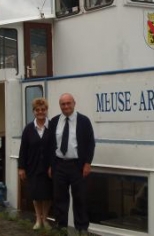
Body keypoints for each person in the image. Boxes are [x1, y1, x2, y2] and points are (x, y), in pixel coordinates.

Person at [49, 93, 95, 236]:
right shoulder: (54, 121)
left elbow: (90, 143)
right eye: (63, 104)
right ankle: (60, 225)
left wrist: (87, 163)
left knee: (79, 197)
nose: (66, 106)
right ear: (60, 106)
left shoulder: (84, 121)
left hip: (77, 166)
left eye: (68, 103)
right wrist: (51, 165)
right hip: (59, 165)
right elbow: (50, 145)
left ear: (74, 103)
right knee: (60, 197)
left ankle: (82, 227)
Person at [18, 98, 53, 231]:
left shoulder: (52, 127)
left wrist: (53, 166)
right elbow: (23, 149)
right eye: (37, 110)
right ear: (33, 111)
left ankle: (45, 219)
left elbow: (55, 148)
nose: (40, 112)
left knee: (47, 195)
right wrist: (21, 167)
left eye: (43, 109)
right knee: (36, 194)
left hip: (48, 168)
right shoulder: (28, 129)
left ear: (46, 110)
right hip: (32, 166)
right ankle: (38, 219)